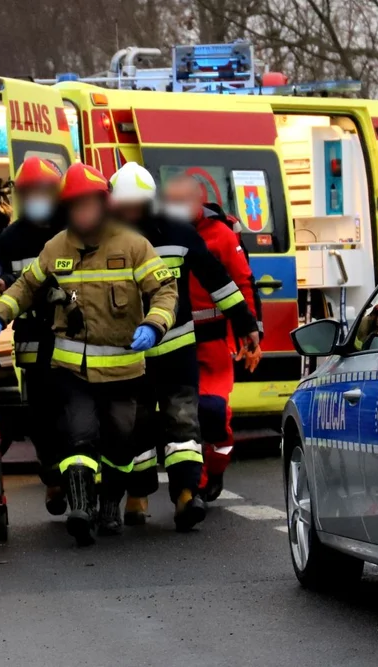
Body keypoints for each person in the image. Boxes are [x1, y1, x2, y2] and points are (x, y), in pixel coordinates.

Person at [0, 162, 178, 545]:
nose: (83, 213)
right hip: (71, 371)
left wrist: (154, 324)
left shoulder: (133, 245)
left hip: (124, 371)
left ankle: (109, 506)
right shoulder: (56, 247)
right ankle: (81, 510)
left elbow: (165, 292)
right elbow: (26, 287)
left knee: (120, 445)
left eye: (89, 204)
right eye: (75, 205)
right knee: (79, 437)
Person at [109, 164, 260, 531]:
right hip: (131, 353)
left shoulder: (177, 233)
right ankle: (138, 497)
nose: (129, 212)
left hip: (176, 347)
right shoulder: (105, 238)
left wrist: (245, 324)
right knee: (136, 427)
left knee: (183, 422)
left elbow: (217, 279)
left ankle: (185, 496)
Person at [162, 175, 261, 502]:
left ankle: (215, 466)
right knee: (179, 416)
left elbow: (242, 284)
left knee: (214, 413)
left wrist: (249, 334)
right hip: (173, 340)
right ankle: (193, 482)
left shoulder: (219, 236)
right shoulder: (163, 233)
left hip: (212, 343)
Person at [0, 156, 67, 515]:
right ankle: (53, 479)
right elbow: (4, 284)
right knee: (41, 416)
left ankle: (83, 479)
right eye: (27, 192)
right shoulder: (10, 237)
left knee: (77, 411)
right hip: (33, 339)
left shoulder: (74, 228)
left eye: (42, 191)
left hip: (74, 335)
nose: (35, 198)